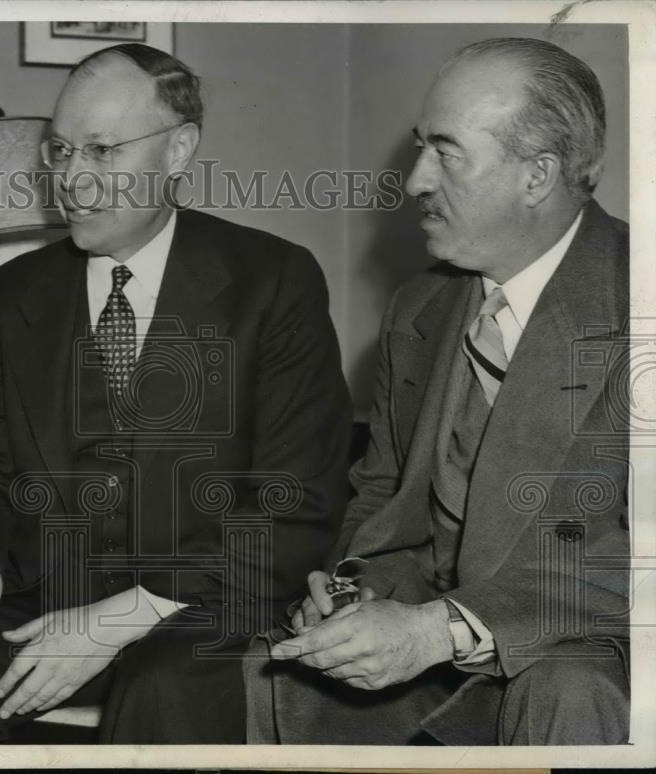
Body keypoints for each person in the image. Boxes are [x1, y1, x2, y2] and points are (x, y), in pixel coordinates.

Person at [0, 43, 351, 743]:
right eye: (61, 151)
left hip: (202, 613)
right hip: (41, 607)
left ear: (178, 150)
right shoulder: (6, 297)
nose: (73, 181)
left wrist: (116, 621)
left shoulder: (274, 281)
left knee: (162, 690)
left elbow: (295, 505)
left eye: (102, 151)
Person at [245, 37, 630, 745]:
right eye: (421, 147)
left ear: (537, 176)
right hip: (436, 645)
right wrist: (351, 590)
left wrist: (441, 630)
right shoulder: (420, 308)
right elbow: (384, 495)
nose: (415, 179)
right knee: (269, 671)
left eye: (446, 153)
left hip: (588, 648)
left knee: (566, 689)